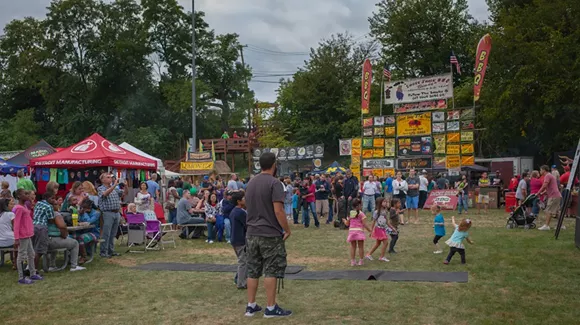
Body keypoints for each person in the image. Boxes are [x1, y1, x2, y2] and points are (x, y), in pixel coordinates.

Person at [244, 152, 292, 318]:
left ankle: (251, 306)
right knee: (271, 270)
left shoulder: (250, 183)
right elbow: (278, 211)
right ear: (274, 165)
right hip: (269, 233)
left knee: (252, 270)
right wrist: (287, 229)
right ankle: (270, 308)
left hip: (251, 232)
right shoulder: (274, 183)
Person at [14, 190, 43, 284]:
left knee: (31, 254)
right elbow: (16, 224)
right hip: (22, 235)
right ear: (19, 196)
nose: (27, 195)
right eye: (25, 194)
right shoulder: (18, 208)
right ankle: (21, 277)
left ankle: (32, 273)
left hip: (28, 234)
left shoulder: (25, 206)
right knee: (21, 255)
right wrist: (16, 238)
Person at [47, 203, 86, 272]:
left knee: (55, 247)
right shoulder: (56, 214)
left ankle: (52, 265)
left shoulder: (44, 214)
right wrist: (64, 235)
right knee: (75, 243)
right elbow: (62, 227)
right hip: (54, 239)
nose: (58, 205)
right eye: (56, 204)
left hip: (45, 239)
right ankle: (74, 266)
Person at [97, 173, 123, 258]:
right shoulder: (100, 188)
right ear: (103, 180)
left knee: (113, 233)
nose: (110, 179)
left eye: (110, 177)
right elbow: (105, 194)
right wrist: (114, 185)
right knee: (106, 233)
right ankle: (103, 252)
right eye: (108, 177)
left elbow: (123, 194)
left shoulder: (115, 188)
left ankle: (110, 251)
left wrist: (125, 186)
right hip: (107, 213)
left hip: (116, 212)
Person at [342, 198, 371, 266]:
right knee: (361, 247)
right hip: (359, 231)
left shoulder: (351, 213)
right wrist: (370, 230)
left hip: (352, 231)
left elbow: (347, 223)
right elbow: (364, 224)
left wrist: (344, 221)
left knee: (353, 247)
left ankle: (353, 261)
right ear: (360, 205)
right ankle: (361, 261)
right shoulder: (362, 214)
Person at [32, 191, 55, 274]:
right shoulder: (49, 206)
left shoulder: (38, 203)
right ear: (47, 198)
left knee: (33, 248)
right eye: (52, 198)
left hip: (33, 226)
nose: (54, 200)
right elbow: (51, 219)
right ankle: (34, 270)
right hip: (41, 228)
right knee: (39, 250)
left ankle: (30, 267)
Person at [230, 191, 247, 289]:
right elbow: (247, 225)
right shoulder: (240, 212)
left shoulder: (234, 211)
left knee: (243, 260)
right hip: (240, 240)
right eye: (243, 199)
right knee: (243, 262)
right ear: (238, 201)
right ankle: (241, 283)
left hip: (235, 239)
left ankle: (239, 279)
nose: (245, 200)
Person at [538, 165, 563, 231]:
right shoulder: (550, 175)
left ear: (544, 170)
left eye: (540, 170)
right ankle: (561, 225)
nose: (540, 171)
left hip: (553, 196)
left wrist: (538, 192)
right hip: (557, 195)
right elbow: (550, 187)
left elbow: (545, 185)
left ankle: (546, 226)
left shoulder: (547, 176)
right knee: (557, 211)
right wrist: (542, 193)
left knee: (548, 210)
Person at [365, 197, 390, 262]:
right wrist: (371, 230)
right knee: (386, 242)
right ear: (380, 203)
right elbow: (373, 221)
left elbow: (386, 221)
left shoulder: (385, 211)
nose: (385, 203)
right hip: (379, 229)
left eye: (386, 202)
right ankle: (382, 257)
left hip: (383, 229)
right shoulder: (376, 212)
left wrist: (391, 227)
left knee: (378, 243)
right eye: (384, 202)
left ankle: (368, 254)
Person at [76, 199, 100, 263]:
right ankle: (72, 256)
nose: (83, 209)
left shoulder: (96, 213)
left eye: (84, 208)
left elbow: (89, 222)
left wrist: (85, 213)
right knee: (72, 237)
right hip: (83, 231)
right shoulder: (82, 213)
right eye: (82, 207)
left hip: (94, 233)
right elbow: (78, 221)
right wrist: (79, 215)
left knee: (81, 238)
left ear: (89, 207)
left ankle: (84, 257)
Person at [0, 198, 16, 268]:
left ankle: (11, 261)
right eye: (11, 204)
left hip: (1, 240)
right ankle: (15, 263)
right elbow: (15, 228)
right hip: (10, 240)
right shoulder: (11, 214)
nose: (13, 205)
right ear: (6, 205)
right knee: (21, 240)